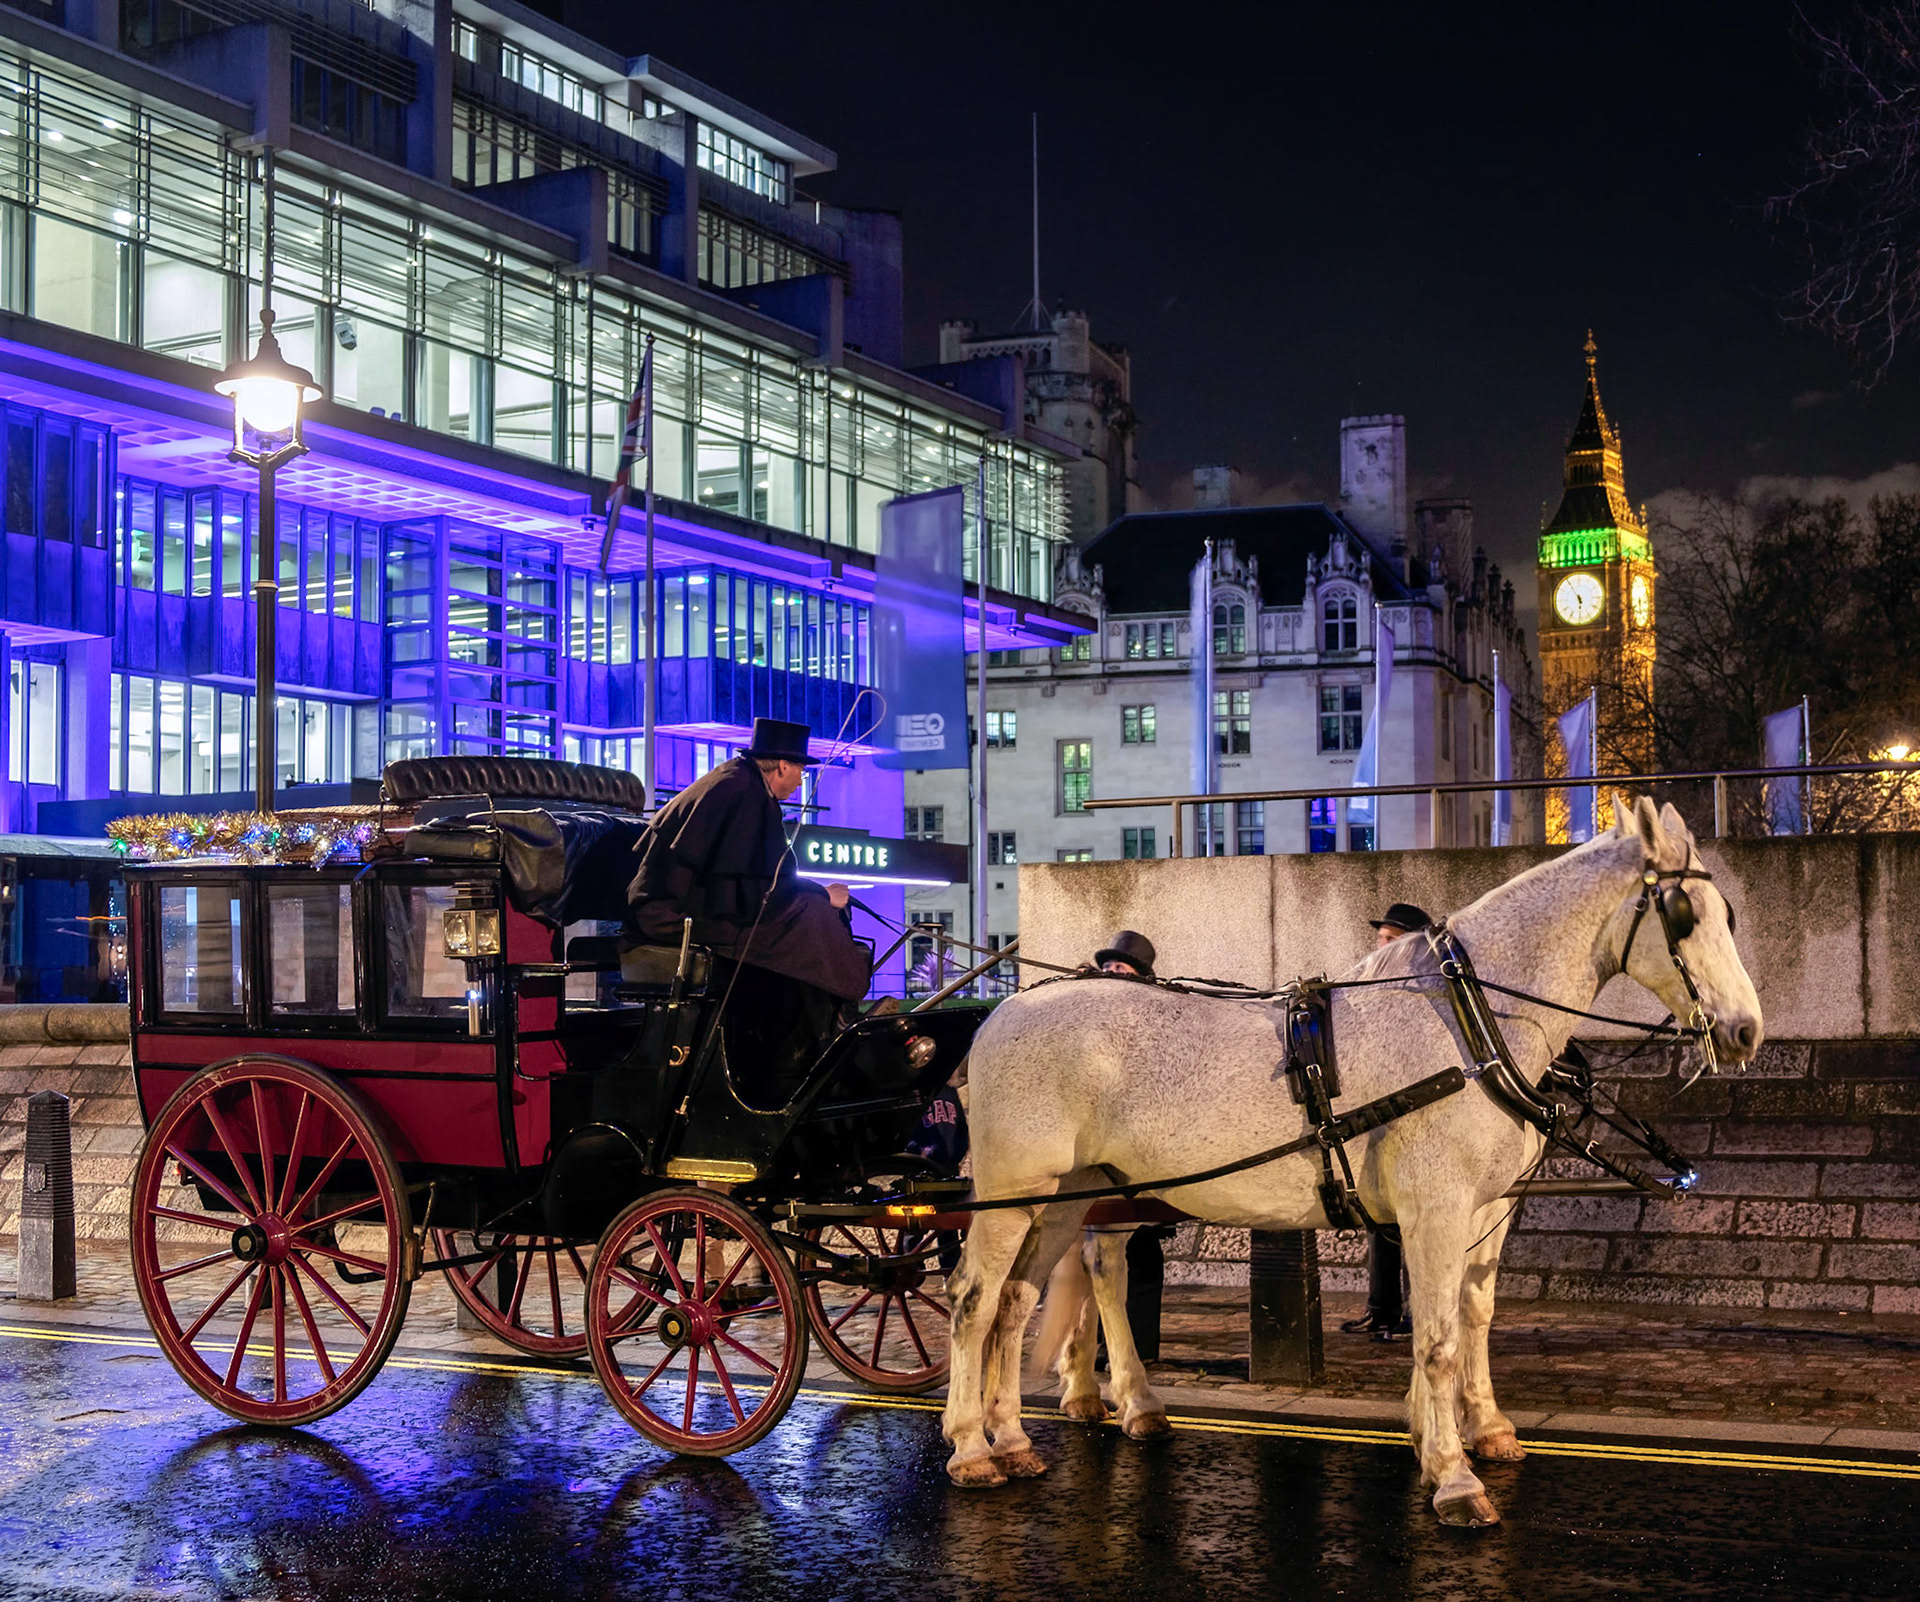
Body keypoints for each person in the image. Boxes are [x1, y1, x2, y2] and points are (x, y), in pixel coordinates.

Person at [627, 717, 872, 1045]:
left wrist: (817, 894)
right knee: (808, 917)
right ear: (783, 766)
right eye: (800, 770)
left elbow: (752, 877)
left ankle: (825, 1018)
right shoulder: (742, 791)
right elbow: (747, 886)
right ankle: (827, 1027)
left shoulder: (744, 782)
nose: (801, 781)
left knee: (811, 910)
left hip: (695, 903)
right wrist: (821, 897)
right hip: (672, 914)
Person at [1339, 901, 1431, 1341]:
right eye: (1381, 939)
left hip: (1416, 1130)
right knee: (1379, 1226)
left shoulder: (1422, 995)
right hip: (1373, 1121)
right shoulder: (1367, 988)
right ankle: (1382, 1309)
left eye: (1391, 941)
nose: (1380, 948)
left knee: (1419, 1225)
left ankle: (1415, 1312)